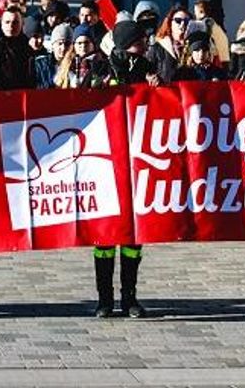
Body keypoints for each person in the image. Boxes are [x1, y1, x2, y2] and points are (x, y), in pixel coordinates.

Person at [96, 18, 155, 318]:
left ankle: (130, 297)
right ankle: (104, 299)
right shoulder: (101, 69)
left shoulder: (147, 70)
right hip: (105, 163)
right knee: (105, 239)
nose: (144, 46)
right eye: (138, 41)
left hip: (137, 162)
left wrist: (158, 87)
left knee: (133, 239)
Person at [0, 7, 35, 91]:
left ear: (22, 24)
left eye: (15, 22)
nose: (11, 26)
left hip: (22, 94)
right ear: (1, 23)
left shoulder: (28, 46)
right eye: (7, 22)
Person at [55, 23, 113, 89]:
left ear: (93, 44)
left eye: (86, 42)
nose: (83, 46)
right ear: (74, 46)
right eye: (79, 43)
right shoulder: (66, 65)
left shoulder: (102, 65)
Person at [147, 5, 192, 83]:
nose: (182, 25)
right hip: (165, 93)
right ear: (170, 23)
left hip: (188, 93)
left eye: (187, 21)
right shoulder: (158, 47)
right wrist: (151, 78)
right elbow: (147, 71)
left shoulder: (196, 47)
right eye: (178, 20)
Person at [34, 24, 74, 89]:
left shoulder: (76, 65)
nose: (63, 48)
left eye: (67, 44)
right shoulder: (40, 64)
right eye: (59, 43)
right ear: (53, 45)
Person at [193, 0, 230, 65]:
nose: (195, 14)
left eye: (195, 11)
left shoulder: (205, 23)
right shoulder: (213, 23)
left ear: (201, 11)